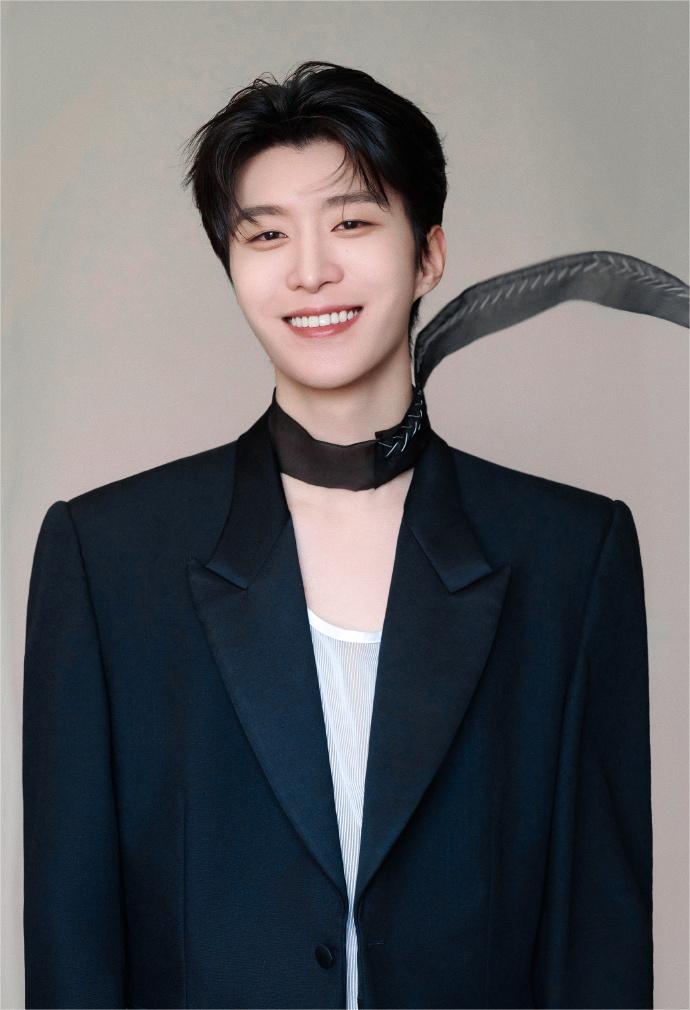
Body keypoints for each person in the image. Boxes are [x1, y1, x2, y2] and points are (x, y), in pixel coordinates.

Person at [24, 59, 683, 1010]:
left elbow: (600, 946)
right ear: (232, 267)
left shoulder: (572, 557)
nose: (310, 271)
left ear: (429, 254)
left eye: (352, 222)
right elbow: (71, 940)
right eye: (266, 235)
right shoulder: (106, 556)